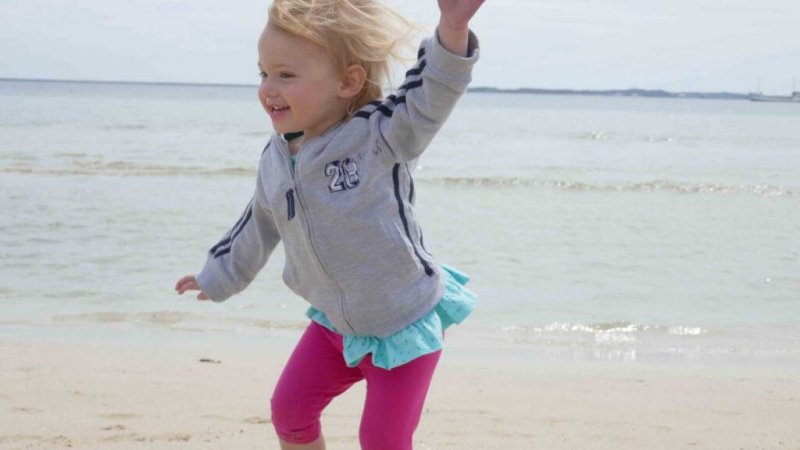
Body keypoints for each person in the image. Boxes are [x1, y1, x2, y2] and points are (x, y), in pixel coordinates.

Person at [175, 0, 484, 448]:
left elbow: (429, 94)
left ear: (347, 81)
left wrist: (452, 27)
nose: (268, 89)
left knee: (381, 440)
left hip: (402, 325)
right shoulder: (278, 158)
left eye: (286, 75)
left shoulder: (379, 135)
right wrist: (217, 275)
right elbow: (259, 223)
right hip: (335, 325)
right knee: (290, 413)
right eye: (263, 73)